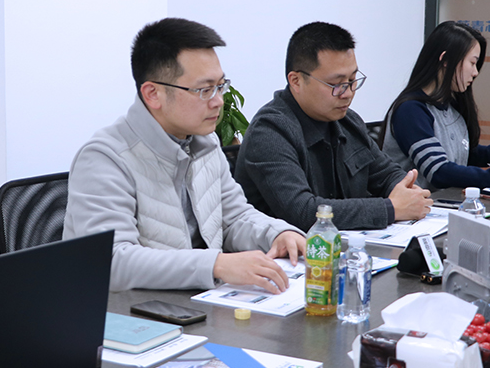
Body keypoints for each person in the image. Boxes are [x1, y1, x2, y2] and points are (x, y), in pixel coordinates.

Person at [62, 18, 305, 294]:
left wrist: (279, 233)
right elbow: (111, 260)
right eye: (204, 90)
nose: (218, 100)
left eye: (220, 86)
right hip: (131, 311)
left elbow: (234, 217)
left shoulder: (204, 141)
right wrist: (215, 265)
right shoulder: (105, 158)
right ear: (153, 94)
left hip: (196, 301)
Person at [234, 21, 432, 232]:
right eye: (336, 84)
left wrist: (406, 190)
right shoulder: (269, 132)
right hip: (291, 251)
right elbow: (303, 212)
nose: (348, 93)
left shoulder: (348, 121)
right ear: (296, 81)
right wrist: (390, 209)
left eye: (352, 80)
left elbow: (386, 174)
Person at [382, 21, 490, 191]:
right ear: (445, 60)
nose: (475, 73)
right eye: (472, 63)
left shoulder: (449, 107)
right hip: (420, 208)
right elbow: (439, 171)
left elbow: (462, 153)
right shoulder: (411, 110)